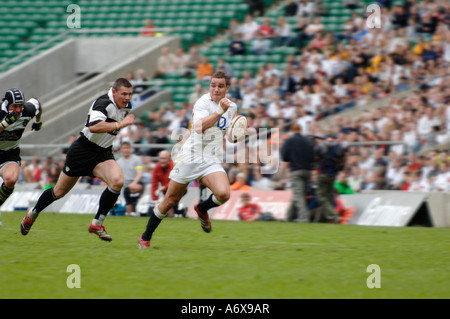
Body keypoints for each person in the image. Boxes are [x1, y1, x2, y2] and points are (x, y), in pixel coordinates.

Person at [20, 78, 136, 241]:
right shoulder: (103, 103)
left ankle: (97, 223)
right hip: (82, 151)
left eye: (130, 94)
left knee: (117, 181)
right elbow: (94, 127)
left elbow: (109, 132)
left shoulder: (126, 107)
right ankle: (32, 213)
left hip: (102, 153)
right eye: (124, 94)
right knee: (58, 192)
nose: (127, 98)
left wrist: (111, 141)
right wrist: (120, 125)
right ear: (114, 92)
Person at [138, 71, 239, 248]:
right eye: (213, 85)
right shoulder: (202, 102)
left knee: (224, 194)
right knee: (170, 200)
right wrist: (219, 111)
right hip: (190, 156)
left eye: (220, 86)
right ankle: (145, 237)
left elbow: (229, 135)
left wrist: (238, 135)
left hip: (210, 158)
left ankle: (202, 209)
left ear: (227, 88)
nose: (216, 89)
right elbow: (199, 127)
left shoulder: (232, 107)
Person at [0, 89, 42, 212]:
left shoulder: (28, 110)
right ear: (7, 104)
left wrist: (38, 122)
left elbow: (37, 103)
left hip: (9, 154)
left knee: (12, 179)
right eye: (15, 106)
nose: (18, 110)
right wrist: (4, 124)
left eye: (21, 106)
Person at [281, 123, 314, 222]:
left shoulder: (289, 141)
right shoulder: (308, 141)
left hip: (296, 171)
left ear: (292, 130)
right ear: (301, 129)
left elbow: (284, 157)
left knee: (299, 195)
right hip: (307, 171)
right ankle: (289, 217)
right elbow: (312, 157)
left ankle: (304, 218)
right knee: (298, 194)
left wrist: (286, 171)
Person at [313, 132, 346, 223]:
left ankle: (334, 216)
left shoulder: (320, 146)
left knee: (321, 197)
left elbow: (314, 158)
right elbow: (343, 159)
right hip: (332, 175)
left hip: (322, 174)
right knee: (327, 197)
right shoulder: (339, 146)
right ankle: (319, 219)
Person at [116, 140, 144, 216]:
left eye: (127, 148)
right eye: (124, 148)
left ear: (130, 149)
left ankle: (130, 212)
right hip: (123, 184)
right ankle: (129, 213)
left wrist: (134, 183)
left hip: (135, 183)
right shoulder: (119, 162)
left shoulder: (136, 159)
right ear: (121, 150)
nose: (126, 150)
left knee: (128, 191)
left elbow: (139, 173)